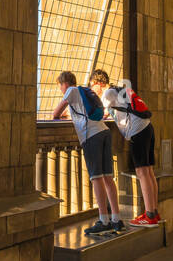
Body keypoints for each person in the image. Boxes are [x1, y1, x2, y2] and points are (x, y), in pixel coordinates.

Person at [51, 71, 123, 236]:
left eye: (60, 86)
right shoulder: (83, 93)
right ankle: (116, 219)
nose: (61, 90)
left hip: (91, 136)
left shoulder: (71, 91)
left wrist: (59, 114)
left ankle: (104, 220)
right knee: (108, 177)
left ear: (64, 83)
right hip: (104, 132)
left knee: (96, 178)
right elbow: (76, 112)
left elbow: (56, 113)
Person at [91, 70, 160, 226]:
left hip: (137, 131)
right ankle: (154, 212)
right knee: (148, 171)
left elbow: (98, 114)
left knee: (142, 172)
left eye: (92, 86)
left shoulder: (107, 93)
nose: (92, 90)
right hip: (147, 127)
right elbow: (113, 112)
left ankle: (149, 215)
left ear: (99, 83)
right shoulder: (116, 90)